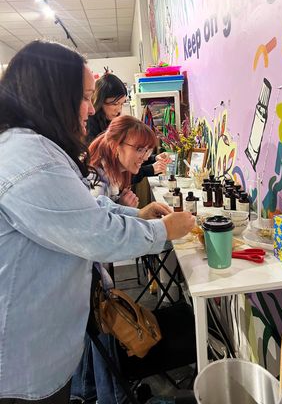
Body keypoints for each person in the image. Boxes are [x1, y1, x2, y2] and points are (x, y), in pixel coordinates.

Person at [0, 40, 195, 403]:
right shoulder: (32, 160)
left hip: (40, 349)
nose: (91, 110)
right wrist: (163, 231)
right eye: (86, 97)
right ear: (51, 94)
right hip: (22, 363)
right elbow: (96, 233)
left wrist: (136, 214)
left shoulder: (36, 150)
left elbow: (85, 211)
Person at [88, 70, 170, 182]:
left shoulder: (109, 121)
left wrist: (153, 158)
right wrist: (150, 169)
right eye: (114, 104)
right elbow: (117, 167)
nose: (119, 109)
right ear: (100, 101)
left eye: (122, 103)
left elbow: (128, 156)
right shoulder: (90, 126)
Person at [89, 115, 160, 208]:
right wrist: (122, 207)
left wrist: (120, 204)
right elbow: (96, 220)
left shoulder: (113, 171)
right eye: (139, 149)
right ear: (115, 145)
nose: (145, 158)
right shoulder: (98, 182)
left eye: (147, 150)